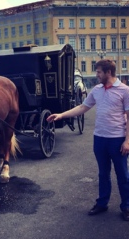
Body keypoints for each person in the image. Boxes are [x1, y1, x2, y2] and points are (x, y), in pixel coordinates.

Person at [47, 59, 129, 221]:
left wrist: (127, 141)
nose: (97, 75)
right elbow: (83, 107)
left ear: (108, 72)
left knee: (123, 175)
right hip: (99, 139)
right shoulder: (97, 90)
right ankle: (102, 203)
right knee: (103, 173)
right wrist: (61, 115)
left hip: (117, 139)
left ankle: (126, 206)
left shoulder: (125, 90)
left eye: (98, 72)